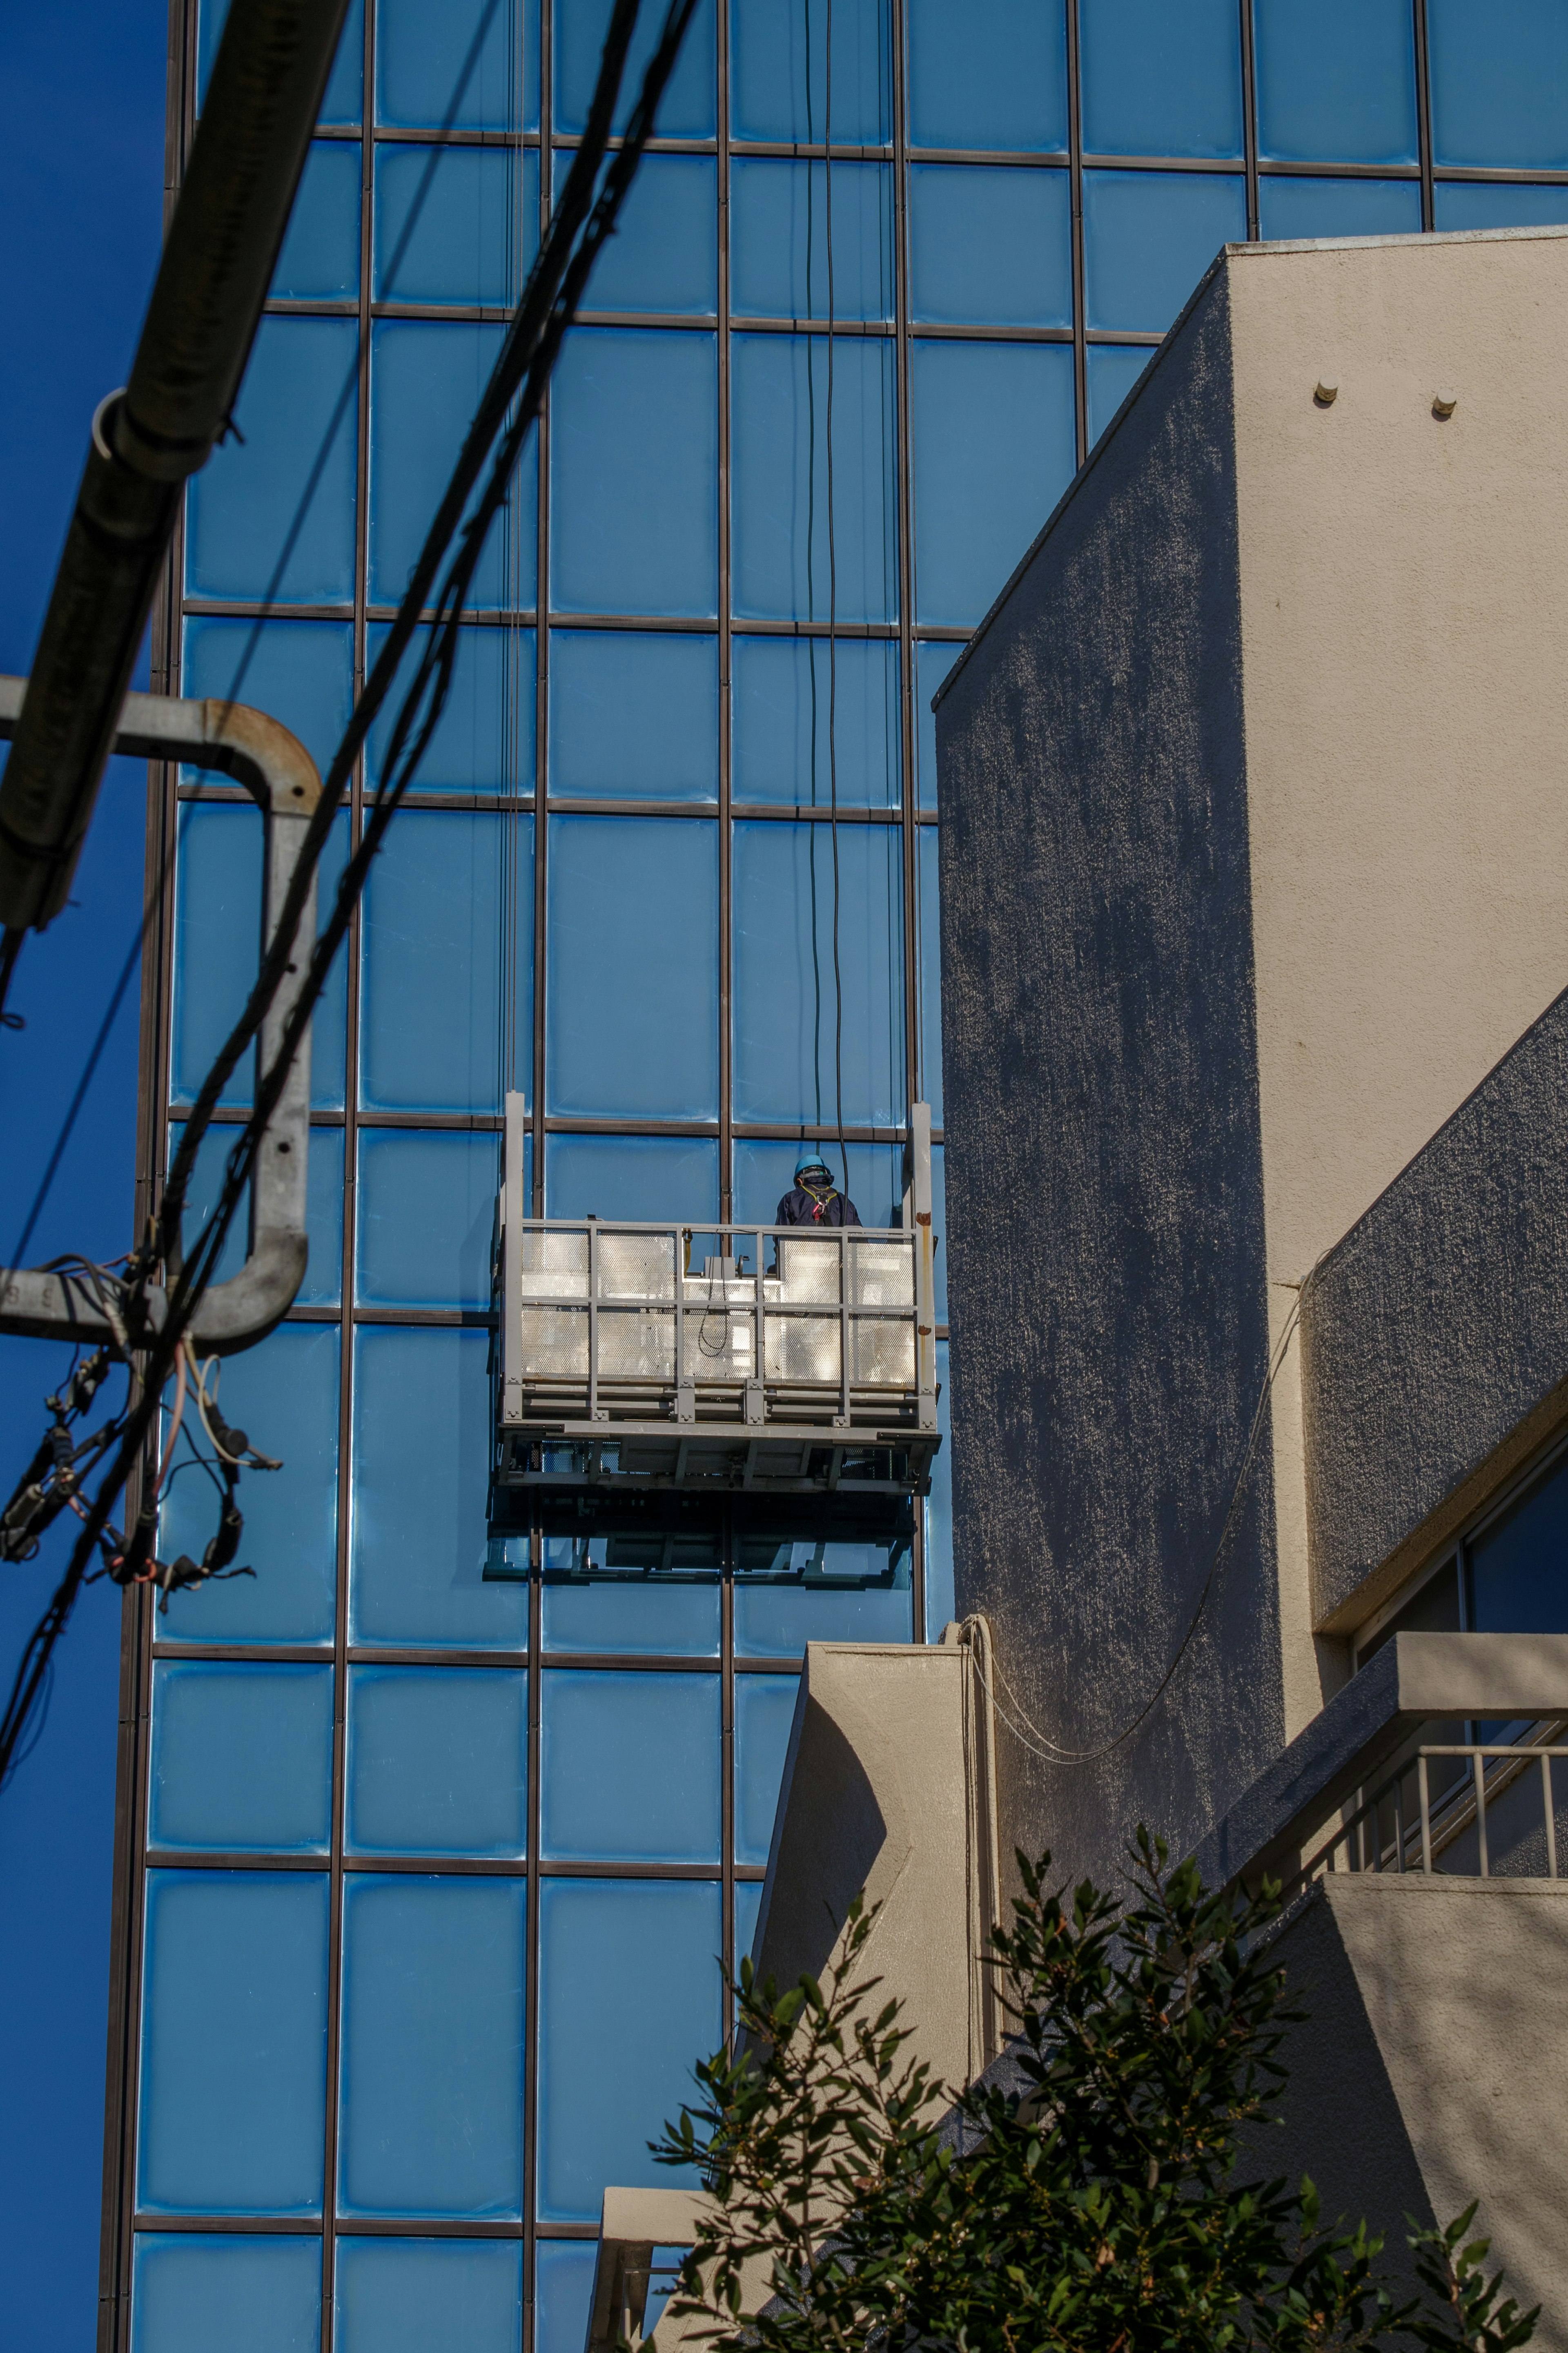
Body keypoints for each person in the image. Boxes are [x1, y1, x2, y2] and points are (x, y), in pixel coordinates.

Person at [776, 1155, 861, 1227]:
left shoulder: (791, 1199)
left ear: (800, 1182)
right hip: (839, 1247)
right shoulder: (845, 1202)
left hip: (803, 1247)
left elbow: (780, 1236)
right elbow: (860, 1241)